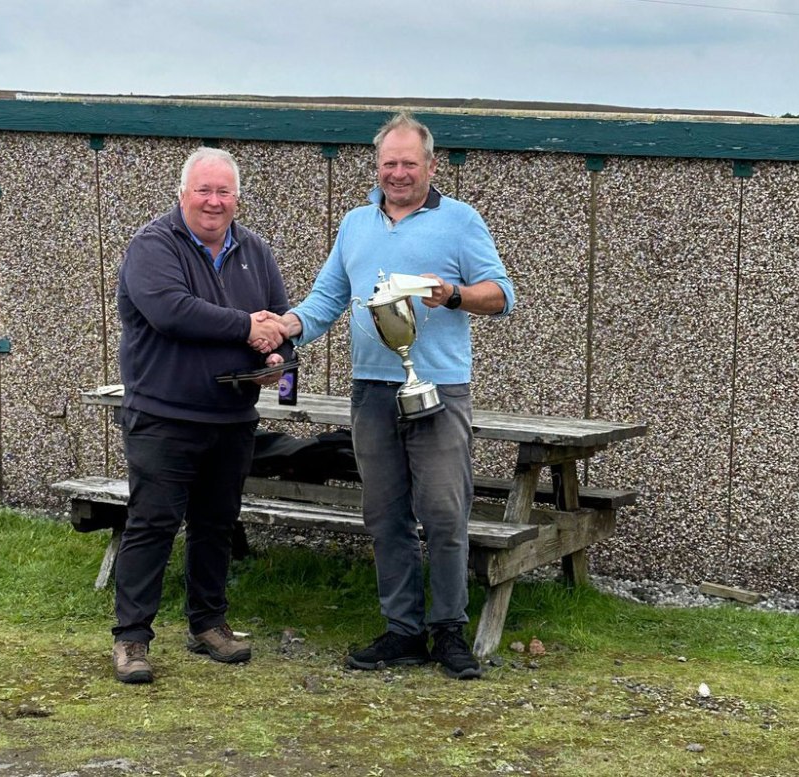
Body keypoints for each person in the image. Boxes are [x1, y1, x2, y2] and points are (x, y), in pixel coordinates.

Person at [271, 112, 514, 680]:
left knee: (445, 513)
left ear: (432, 165)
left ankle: (448, 630)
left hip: (439, 389)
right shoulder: (355, 224)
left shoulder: (460, 222)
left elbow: (502, 296)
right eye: (389, 163)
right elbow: (328, 297)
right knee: (384, 516)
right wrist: (287, 327)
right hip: (371, 392)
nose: (398, 173)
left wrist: (453, 295)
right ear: (376, 167)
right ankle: (403, 631)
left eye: (409, 163)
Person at [111, 147, 292, 685]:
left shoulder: (255, 252)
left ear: (237, 198)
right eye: (203, 191)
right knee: (154, 524)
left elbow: (280, 319)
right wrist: (246, 327)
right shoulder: (152, 246)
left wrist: (276, 352)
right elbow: (171, 310)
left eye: (224, 192)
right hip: (165, 415)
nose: (214, 202)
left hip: (232, 417)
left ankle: (208, 625)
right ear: (182, 194)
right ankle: (132, 639)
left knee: (217, 524)